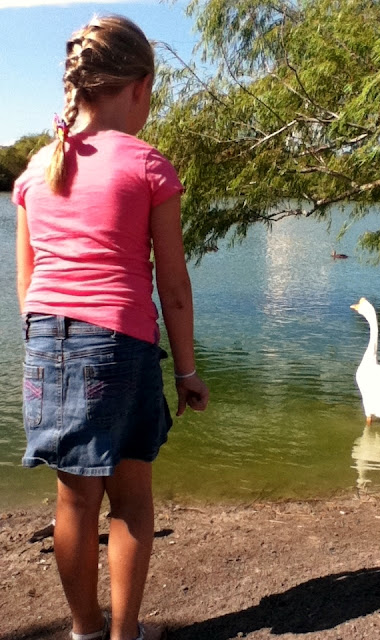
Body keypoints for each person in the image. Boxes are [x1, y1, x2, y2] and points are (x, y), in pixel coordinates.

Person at [14, 14, 209, 640]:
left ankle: (83, 631)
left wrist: (48, 346)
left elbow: (28, 288)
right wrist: (186, 370)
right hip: (120, 345)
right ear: (141, 87)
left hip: (47, 342)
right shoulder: (149, 165)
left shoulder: (36, 170)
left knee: (73, 501)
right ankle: (124, 635)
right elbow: (172, 289)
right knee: (129, 499)